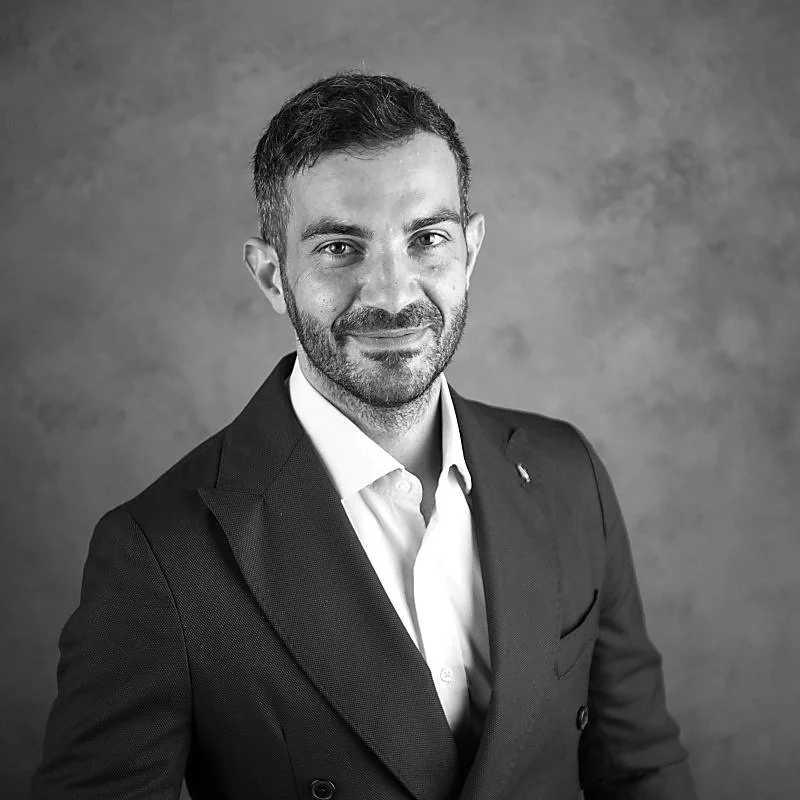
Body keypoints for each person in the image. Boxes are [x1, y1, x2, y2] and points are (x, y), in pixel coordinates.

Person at [32, 73, 696, 800]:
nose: (392, 292)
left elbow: (642, 770)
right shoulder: (159, 555)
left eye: (428, 238)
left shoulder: (570, 474)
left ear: (470, 251)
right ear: (271, 276)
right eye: (341, 248)